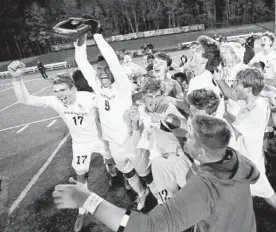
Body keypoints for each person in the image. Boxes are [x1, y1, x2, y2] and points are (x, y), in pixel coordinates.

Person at [53, 114, 259, 232]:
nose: (184, 138)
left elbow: (147, 227)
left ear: (202, 151)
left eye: (189, 137)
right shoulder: (236, 158)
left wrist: (87, 199)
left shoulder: (204, 188)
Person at [8, 60, 117, 232]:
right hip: (80, 144)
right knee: (81, 176)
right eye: (56, 91)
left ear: (73, 89)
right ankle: (82, 211)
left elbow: (113, 104)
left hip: (99, 139)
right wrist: (16, 79)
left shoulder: (89, 98)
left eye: (63, 90)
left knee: (112, 161)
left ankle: (112, 171)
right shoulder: (55, 102)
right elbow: (26, 99)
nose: (59, 95)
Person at [74, 32, 149, 211]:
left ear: (113, 71)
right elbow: (82, 62)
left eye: (106, 68)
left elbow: (113, 61)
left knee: (145, 172)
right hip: (114, 143)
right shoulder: (97, 87)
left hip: (131, 139)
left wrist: (97, 35)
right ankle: (142, 194)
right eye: (99, 69)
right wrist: (81, 38)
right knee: (127, 171)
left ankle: (159, 197)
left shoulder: (121, 86)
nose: (102, 72)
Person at [222, 67, 276, 210]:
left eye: (237, 83)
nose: (233, 85)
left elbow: (235, 132)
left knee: (267, 195)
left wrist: (221, 115)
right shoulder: (254, 104)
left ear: (247, 89)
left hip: (249, 163)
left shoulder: (254, 108)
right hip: (248, 160)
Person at [132, 78, 192, 203]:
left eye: (158, 96)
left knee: (193, 192)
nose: (154, 101)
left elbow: (187, 128)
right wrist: (135, 125)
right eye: (150, 96)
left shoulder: (167, 108)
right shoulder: (139, 112)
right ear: (143, 96)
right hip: (157, 161)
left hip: (175, 155)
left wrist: (167, 119)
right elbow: (138, 143)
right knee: (166, 201)